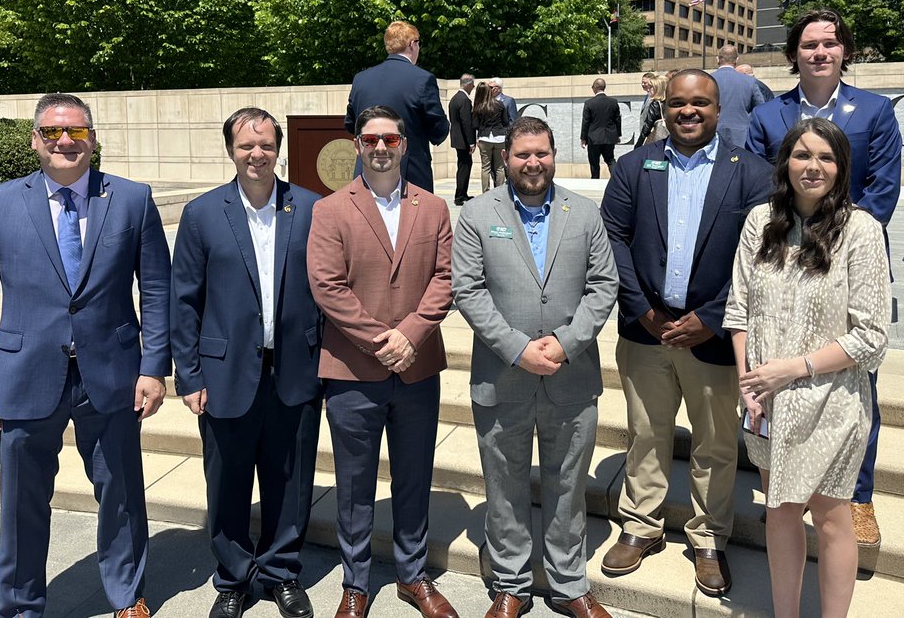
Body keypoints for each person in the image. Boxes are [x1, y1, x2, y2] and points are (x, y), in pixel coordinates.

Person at [0, 93, 171, 618]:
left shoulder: (133, 199)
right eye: (52, 132)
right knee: (23, 507)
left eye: (76, 132)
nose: (65, 141)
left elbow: (158, 290)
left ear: (93, 139)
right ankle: (22, 606)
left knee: (121, 495)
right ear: (35, 140)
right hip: (24, 377)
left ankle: (126, 595)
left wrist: (153, 367)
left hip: (113, 375)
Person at [599, 70, 773, 596]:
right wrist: (641, 308)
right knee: (646, 434)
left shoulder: (754, 174)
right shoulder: (634, 167)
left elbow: (762, 259)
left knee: (716, 444)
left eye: (700, 103)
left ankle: (708, 537)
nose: (688, 112)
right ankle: (641, 525)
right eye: (677, 103)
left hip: (714, 337)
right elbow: (612, 238)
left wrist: (713, 317)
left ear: (719, 110)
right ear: (664, 108)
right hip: (645, 330)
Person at [745, 8, 901, 549]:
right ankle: (782, 478)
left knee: (857, 383)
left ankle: (857, 492)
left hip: (849, 263)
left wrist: (838, 238)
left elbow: (883, 188)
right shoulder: (769, 116)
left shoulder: (876, 111)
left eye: (830, 44)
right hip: (782, 262)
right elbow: (762, 187)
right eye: (809, 44)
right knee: (777, 373)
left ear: (844, 52)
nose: (819, 52)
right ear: (793, 54)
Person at [452, 116, 619, 618]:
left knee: (568, 484)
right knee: (503, 484)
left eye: (541, 153)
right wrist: (518, 348)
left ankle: (569, 583)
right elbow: (468, 289)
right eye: (522, 154)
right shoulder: (478, 214)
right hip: (503, 375)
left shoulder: (584, 213)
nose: (532, 163)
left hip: (571, 375)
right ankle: (511, 583)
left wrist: (566, 344)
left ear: (553, 154)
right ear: (506, 158)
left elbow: (603, 285)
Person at [726, 117, 889, 618]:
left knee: (832, 515)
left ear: (841, 169)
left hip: (831, 402)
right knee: (779, 511)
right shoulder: (760, 221)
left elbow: (872, 337)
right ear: (785, 163)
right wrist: (748, 382)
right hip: (767, 404)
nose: (812, 167)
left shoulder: (860, 230)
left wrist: (790, 369)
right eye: (802, 155)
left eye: (825, 157)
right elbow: (738, 310)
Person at [307, 106, 459, 618]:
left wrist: (411, 335)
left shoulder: (434, 208)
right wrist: (381, 340)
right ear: (357, 145)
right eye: (370, 139)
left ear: (404, 145)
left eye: (390, 140)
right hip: (353, 370)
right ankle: (356, 582)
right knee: (353, 482)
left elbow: (445, 278)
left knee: (414, 475)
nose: (380, 148)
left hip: (418, 367)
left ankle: (412, 575)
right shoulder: (330, 211)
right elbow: (327, 286)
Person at [170, 109, 323, 618]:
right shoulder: (202, 213)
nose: (256, 154)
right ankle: (233, 577)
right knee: (228, 479)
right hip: (224, 371)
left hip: (295, 368)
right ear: (230, 150)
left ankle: (282, 571)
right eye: (245, 146)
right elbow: (184, 300)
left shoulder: (310, 207)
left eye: (265, 144)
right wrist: (188, 373)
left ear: (278, 148)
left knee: (289, 478)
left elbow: (328, 292)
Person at [344, 20, 449, 194]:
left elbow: (350, 124)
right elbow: (439, 130)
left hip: (367, 171)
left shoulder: (361, 79)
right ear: (412, 44)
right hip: (410, 174)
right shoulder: (423, 79)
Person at [712, 45, 767, 147]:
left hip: (712, 136)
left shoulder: (707, 80)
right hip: (742, 139)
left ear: (717, 59)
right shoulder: (750, 82)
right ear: (737, 60)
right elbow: (761, 110)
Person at [580, 78, 622, 180]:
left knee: (594, 162)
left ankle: (595, 181)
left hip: (594, 138)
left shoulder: (589, 103)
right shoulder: (613, 102)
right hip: (609, 137)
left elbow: (586, 122)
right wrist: (618, 135)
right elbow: (618, 120)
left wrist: (583, 138)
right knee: (610, 160)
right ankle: (617, 179)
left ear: (595, 87)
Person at [474, 83, 509, 193]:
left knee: (485, 168)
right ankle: (500, 191)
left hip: (485, 138)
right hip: (499, 137)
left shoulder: (479, 106)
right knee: (500, 167)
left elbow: (475, 124)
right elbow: (506, 122)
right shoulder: (500, 104)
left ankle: (486, 192)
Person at [449, 74, 476, 206]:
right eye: (472, 84)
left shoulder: (455, 98)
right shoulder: (464, 100)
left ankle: (462, 194)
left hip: (457, 138)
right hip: (463, 139)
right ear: (468, 84)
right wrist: (471, 142)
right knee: (464, 167)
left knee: (463, 166)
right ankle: (460, 195)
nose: (473, 87)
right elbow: (466, 122)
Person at [633, 74, 669, 148]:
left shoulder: (655, 103)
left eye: (652, 87)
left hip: (657, 141)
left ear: (658, 88)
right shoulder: (672, 102)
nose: (649, 89)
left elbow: (647, 126)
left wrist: (638, 144)